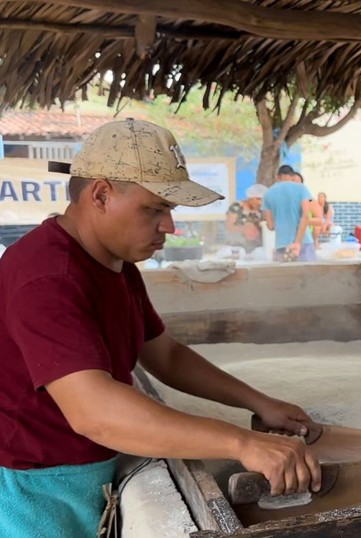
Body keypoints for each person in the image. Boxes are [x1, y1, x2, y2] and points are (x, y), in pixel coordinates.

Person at [0, 119, 323, 537]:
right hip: (34, 488)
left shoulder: (114, 263)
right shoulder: (48, 277)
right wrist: (242, 444)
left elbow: (165, 355)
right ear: (101, 195)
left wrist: (258, 403)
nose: (169, 226)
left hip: (83, 470)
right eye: (155, 209)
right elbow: (93, 413)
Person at [262, 166, 316, 262]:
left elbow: (270, 226)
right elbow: (306, 216)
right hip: (304, 242)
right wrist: (297, 242)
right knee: (310, 275)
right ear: (292, 176)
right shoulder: (302, 188)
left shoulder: (268, 193)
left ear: (277, 176)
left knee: (284, 276)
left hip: (281, 245)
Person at [224, 183, 267, 259]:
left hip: (254, 249)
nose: (259, 202)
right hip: (236, 247)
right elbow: (229, 226)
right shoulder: (237, 206)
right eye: (257, 199)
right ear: (250, 197)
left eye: (262, 200)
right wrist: (244, 228)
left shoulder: (260, 211)